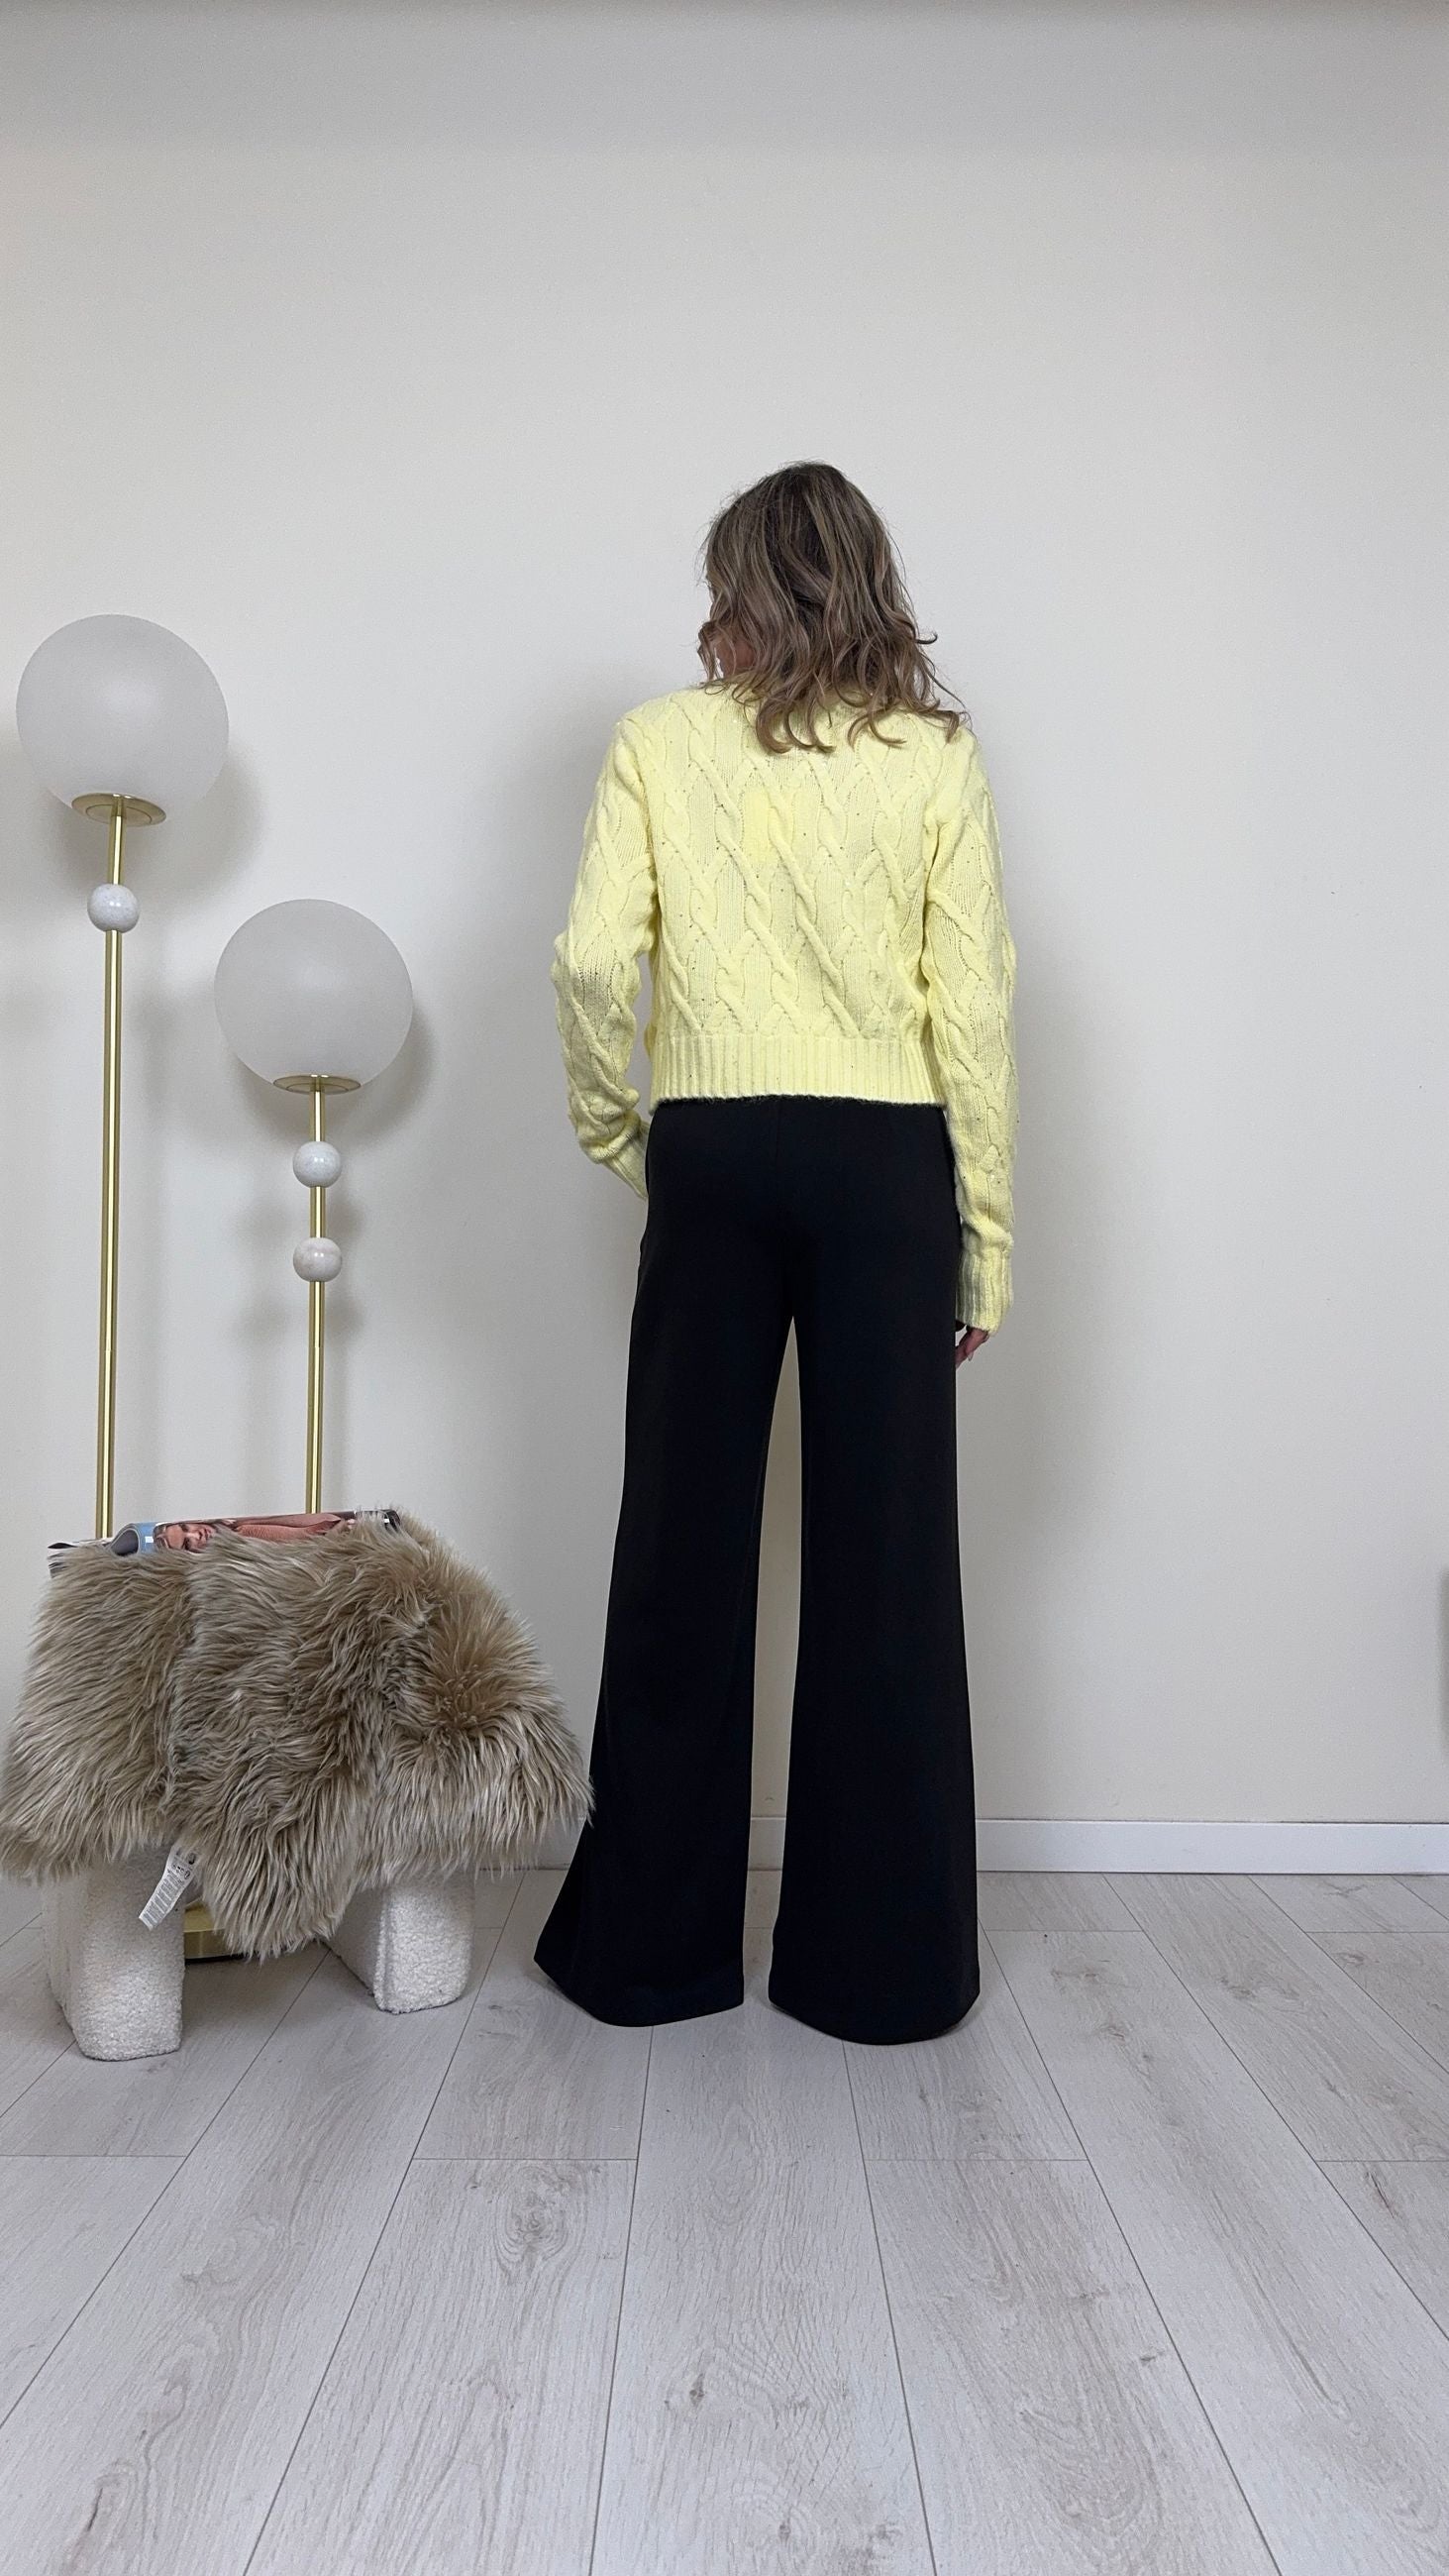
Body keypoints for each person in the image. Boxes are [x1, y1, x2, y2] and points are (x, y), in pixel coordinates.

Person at [534, 460, 1018, 2045]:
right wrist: (986, 1241)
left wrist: (629, 1137)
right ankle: (881, 1974)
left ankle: (648, 1960)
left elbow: (591, 964)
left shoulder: (657, 741)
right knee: (888, 1567)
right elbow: (974, 1011)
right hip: (888, 1167)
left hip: (716, 1150)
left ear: (742, 585)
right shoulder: (934, 757)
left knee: (680, 1545)